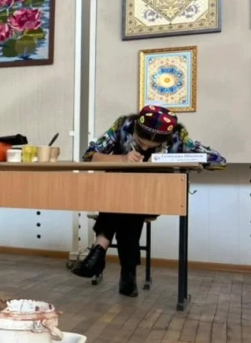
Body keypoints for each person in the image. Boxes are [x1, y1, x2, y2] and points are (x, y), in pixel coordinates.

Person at [71, 105, 225, 296]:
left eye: (151, 146)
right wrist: (123, 159)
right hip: (117, 196)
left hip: (153, 197)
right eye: (140, 142)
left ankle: (99, 249)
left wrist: (179, 159)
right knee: (125, 204)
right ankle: (128, 275)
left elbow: (219, 161)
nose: (144, 148)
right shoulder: (124, 125)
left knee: (130, 201)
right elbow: (89, 156)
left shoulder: (178, 136)